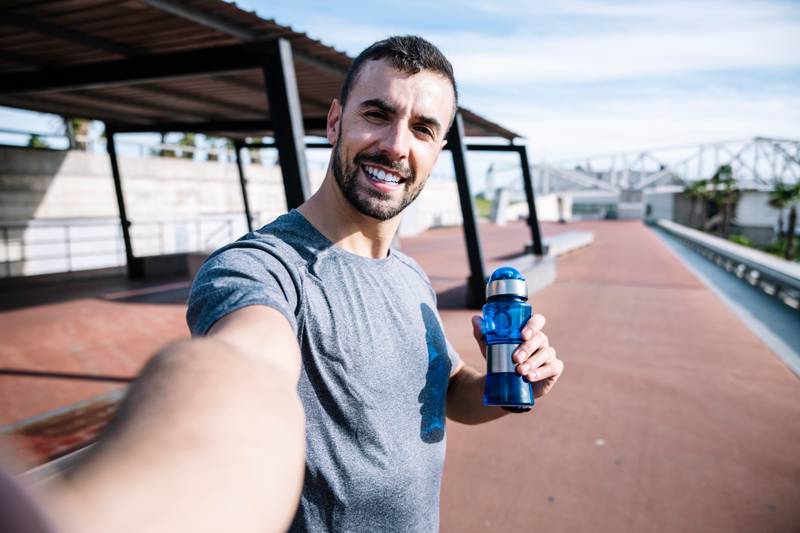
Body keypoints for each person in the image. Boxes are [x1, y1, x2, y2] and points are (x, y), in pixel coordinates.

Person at [39, 35, 563, 533]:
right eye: (377, 114)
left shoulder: (409, 276)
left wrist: (510, 385)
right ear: (334, 122)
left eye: (423, 128)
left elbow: (449, 394)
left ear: (438, 150)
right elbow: (242, 367)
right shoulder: (260, 268)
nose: (396, 145)